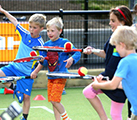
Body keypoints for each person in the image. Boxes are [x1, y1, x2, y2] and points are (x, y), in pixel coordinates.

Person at [83, 5, 132, 120]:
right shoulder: (113, 37)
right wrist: (93, 51)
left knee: (116, 115)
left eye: (113, 21)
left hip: (119, 82)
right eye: (110, 20)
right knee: (88, 92)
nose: (110, 23)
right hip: (107, 78)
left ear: (123, 22)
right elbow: (106, 53)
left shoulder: (128, 42)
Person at [0, 5, 46, 120]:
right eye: (30, 26)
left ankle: (24, 118)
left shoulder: (41, 44)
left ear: (41, 29)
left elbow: (43, 61)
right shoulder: (24, 34)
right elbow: (14, 20)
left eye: (35, 28)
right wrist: (2, 10)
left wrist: (35, 72)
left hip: (26, 72)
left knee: (26, 97)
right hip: (14, 67)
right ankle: (14, 87)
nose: (31, 29)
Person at [31, 17, 81, 120]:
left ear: (60, 31)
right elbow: (45, 62)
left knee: (55, 100)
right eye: (48, 30)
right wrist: (40, 60)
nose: (50, 33)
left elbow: (77, 52)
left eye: (52, 31)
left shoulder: (65, 43)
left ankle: (66, 118)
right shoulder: (46, 45)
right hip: (51, 76)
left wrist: (71, 59)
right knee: (53, 101)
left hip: (61, 75)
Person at [92, 25, 137, 120]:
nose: (115, 49)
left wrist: (97, 85)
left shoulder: (125, 62)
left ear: (122, 45)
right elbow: (125, 85)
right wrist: (102, 82)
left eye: (116, 46)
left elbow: (113, 85)